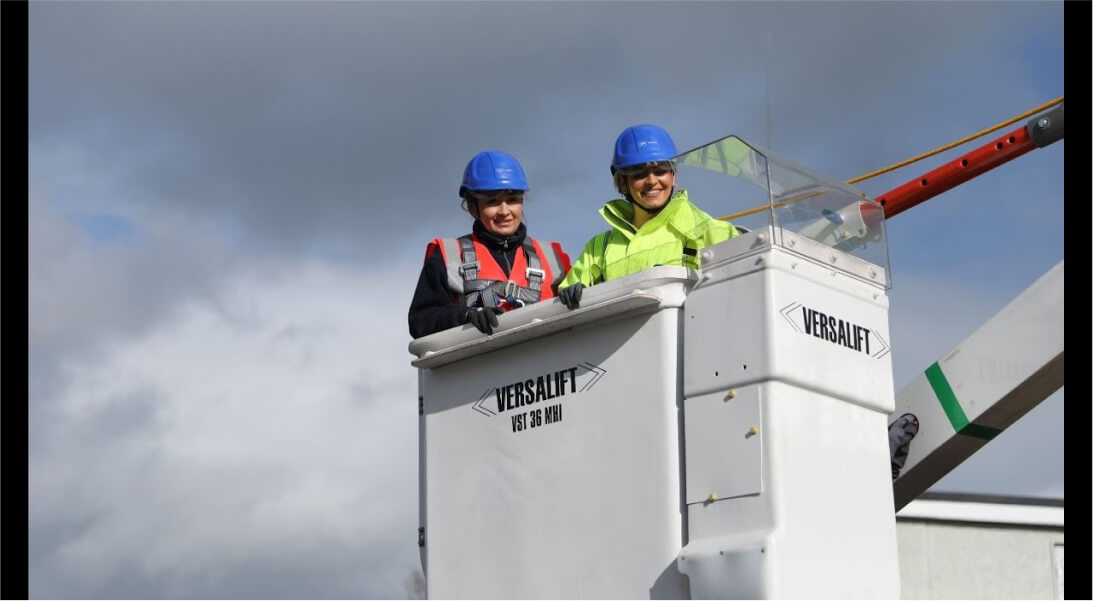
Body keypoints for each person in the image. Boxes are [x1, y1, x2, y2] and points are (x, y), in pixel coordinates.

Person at [557, 124, 740, 309]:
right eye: (639, 173)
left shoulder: (710, 231)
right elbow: (564, 299)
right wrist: (571, 292)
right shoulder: (598, 248)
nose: (652, 181)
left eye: (660, 170)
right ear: (622, 183)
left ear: (674, 176)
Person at [408, 150, 571, 338]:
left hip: (548, 361)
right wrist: (466, 316)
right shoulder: (447, 256)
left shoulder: (553, 257)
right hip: (481, 364)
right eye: (492, 202)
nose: (504, 211)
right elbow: (421, 321)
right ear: (472, 206)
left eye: (512, 200)